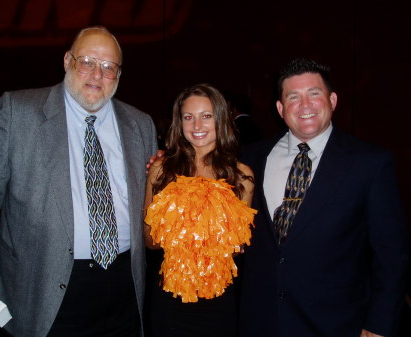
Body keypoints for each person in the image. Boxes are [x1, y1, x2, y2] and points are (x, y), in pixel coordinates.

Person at [0, 26, 158, 337]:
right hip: (44, 290)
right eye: (87, 61)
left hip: (124, 290)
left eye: (109, 67)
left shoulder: (140, 124)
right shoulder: (18, 113)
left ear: (119, 74)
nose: (97, 74)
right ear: (67, 60)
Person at [239, 58, 409, 337]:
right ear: (281, 108)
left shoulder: (369, 163)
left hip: (336, 324)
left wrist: (379, 325)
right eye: (293, 97)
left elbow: (391, 254)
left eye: (314, 94)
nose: (305, 106)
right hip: (261, 321)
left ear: (332, 100)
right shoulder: (250, 158)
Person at [144, 83, 256, 337]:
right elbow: (149, 241)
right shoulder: (161, 170)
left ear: (221, 119)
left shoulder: (241, 176)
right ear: (179, 122)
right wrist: (181, 227)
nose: (197, 126)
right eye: (188, 117)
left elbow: (239, 249)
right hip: (169, 296)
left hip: (219, 298)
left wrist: (211, 236)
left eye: (206, 116)